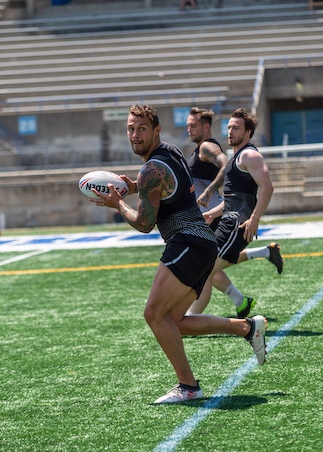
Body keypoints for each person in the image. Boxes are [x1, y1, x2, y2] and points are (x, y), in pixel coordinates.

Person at [90, 104, 267, 404]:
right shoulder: (169, 152)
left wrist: (117, 204)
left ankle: (188, 386)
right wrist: (136, 188)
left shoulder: (150, 169)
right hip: (201, 243)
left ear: (156, 130)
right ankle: (249, 328)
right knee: (176, 321)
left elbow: (145, 224)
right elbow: (170, 188)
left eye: (142, 129)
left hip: (187, 242)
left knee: (153, 314)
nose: (135, 135)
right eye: (131, 129)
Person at [186, 107, 283, 316]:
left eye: (236, 128)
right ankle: (193, 318)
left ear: (248, 132)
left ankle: (191, 319)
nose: (230, 131)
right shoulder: (237, 157)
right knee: (205, 269)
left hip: (236, 225)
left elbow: (267, 187)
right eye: (229, 127)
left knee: (203, 269)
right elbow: (233, 199)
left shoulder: (249, 155)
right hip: (227, 221)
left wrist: (255, 218)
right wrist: (212, 213)